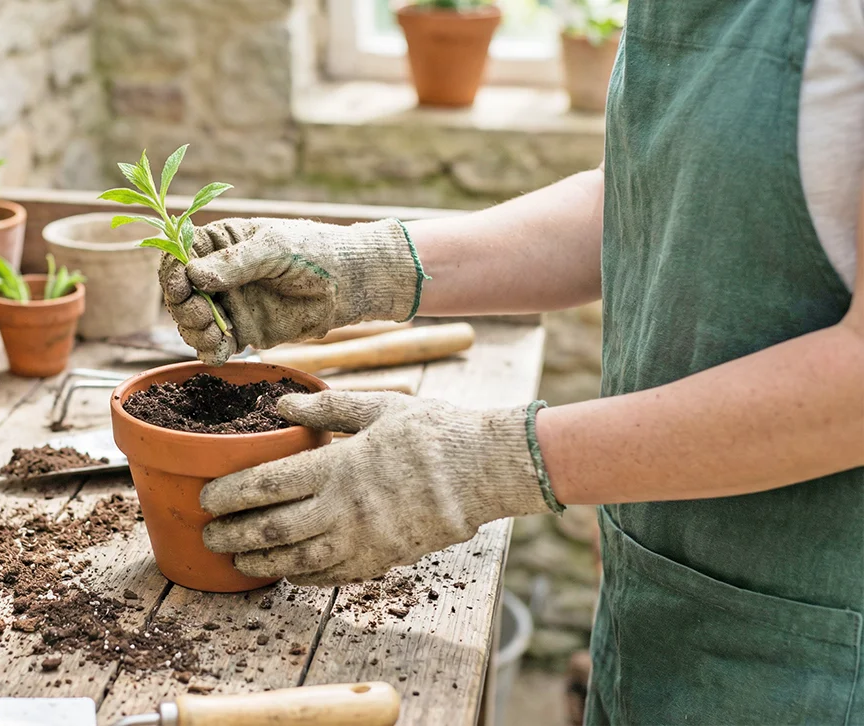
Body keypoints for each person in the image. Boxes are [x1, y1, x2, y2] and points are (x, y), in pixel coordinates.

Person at [158, 1, 864, 724]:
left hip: (815, 659)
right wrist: (368, 265)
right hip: (662, 599)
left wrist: (484, 463)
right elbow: (647, 201)